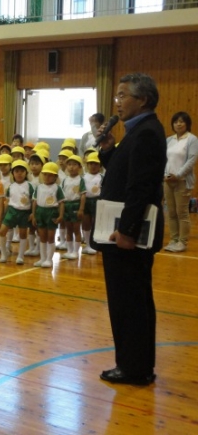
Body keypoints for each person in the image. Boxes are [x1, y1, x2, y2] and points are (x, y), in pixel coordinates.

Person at [92, 73, 166, 386]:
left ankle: (134, 369)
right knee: (130, 300)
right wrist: (109, 151)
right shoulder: (136, 132)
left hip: (127, 236)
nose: (117, 102)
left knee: (130, 303)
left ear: (143, 99)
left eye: (123, 95)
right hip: (123, 232)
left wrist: (127, 230)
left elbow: (140, 188)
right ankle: (135, 365)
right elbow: (125, 175)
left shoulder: (146, 133)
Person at [164, 111, 198, 252]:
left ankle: (182, 242)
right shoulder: (169, 140)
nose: (179, 124)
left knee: (182, 212)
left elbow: (192, 160)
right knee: (171, 212)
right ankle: (174, 239)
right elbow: (165, 159)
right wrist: (165, 175)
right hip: (167, 180)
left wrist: (178, 175)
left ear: (187, 124)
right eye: (176, 121)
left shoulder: (192, 139)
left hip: (182, 181)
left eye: (182, 121)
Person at [0, 160, 34, 264]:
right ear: (12, 173)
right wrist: (3, 214)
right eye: (16, 171)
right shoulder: (11, 187)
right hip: (12, 211)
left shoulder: (29, 186)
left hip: (24, 212)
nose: (19, 173)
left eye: (22, 171)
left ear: (26, 173)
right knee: (2, 231)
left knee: (23, 234)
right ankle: (4, 254)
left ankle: (20, 256)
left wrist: (32, 213)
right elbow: (7, 201)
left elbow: (33, 201)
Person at [32, 162, 65, 268]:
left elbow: (61, 203)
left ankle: (49, 259)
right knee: (42, 236)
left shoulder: (57, 188)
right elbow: (34, 202)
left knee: (50, 237)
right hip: (40, 212)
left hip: (52, 213)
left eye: (50, 175)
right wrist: (33, 214)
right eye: (45, 174)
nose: (47, 177)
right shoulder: (39, 187)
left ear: (55, 176)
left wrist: (60, 215)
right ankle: (42, 258)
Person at [60, 155, 86, 260]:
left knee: (76, 229)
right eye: (69, 164)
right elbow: (61, 196)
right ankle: (69, 251)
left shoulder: (81, 180)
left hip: (76, 204)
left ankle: (76, 251)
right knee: (68, 229)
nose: (71, 167)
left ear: (79, 167)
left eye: (74, 165)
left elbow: (83, 195)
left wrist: (81, 209)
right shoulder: (64, 180)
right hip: (66, 206)